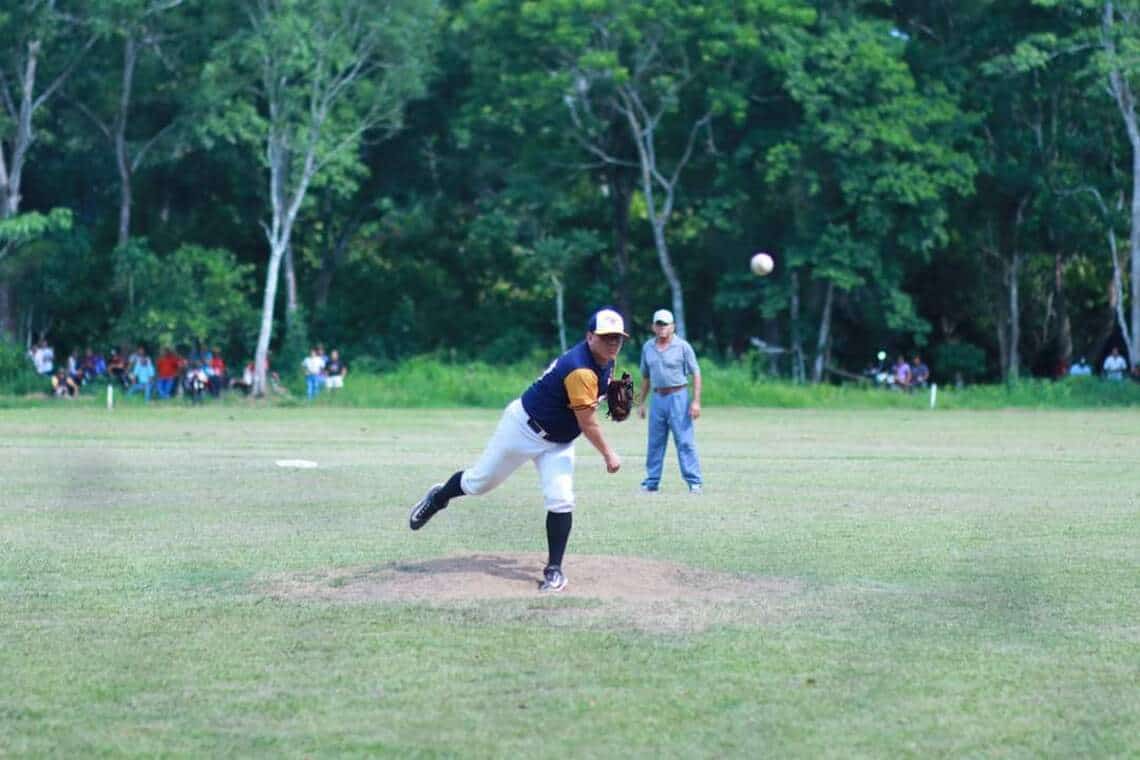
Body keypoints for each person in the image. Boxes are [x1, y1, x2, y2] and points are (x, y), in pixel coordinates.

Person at [408, 307, 628, 593]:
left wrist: (608, 385)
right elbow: (587, 423)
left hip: (558, 442)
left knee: (561, 499)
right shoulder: (581, 369)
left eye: (617, 338)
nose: (613, 343)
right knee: (478, 483)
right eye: (606, 337)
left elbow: (593, 391)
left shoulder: (605, 360)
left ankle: (554, 569)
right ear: (589, 337)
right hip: (523, 429)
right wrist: (609, 454)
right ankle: (438, 497)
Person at [635, 308, 703, 494]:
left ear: (673, 326)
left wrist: (696, 401)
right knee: (655, 441)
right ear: (653, 327)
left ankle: (694, 482)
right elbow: (646, 377)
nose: (662, 328)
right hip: (658, 397)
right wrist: (641, 403)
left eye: (666, 324)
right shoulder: (648, 347)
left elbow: (696, 373)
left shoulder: (683, 347)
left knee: (684, 441)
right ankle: (651, 482)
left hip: (678, 396)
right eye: (659, 324)